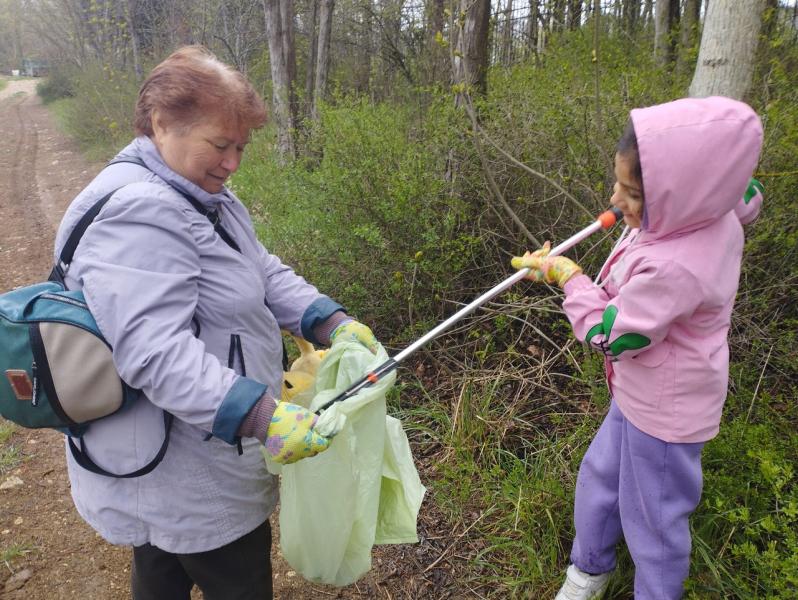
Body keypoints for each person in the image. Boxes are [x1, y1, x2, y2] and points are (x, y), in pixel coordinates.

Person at [53, 45, 378, 600]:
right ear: (161, 123)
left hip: (183, 454)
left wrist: (328, 320)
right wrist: (262, 417)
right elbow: (155, 353)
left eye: (241, 147)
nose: (232, 163)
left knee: (160, 567)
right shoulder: (142, 210)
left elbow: (257, 267)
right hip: (185, 461)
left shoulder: (199, 193)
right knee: (228, 574)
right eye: (220, 145)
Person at [511, 96, 763, 599]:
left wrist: (568, 277)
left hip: (668, 413)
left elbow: (614, 336)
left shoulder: (676, 265)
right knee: (602, 476)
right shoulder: (701, 206)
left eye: (632, 193)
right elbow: (746, 192)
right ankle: (590, 570)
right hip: (639, 393)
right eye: (617, 184)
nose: (615, 201)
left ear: (683, 195)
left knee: (654, 523)